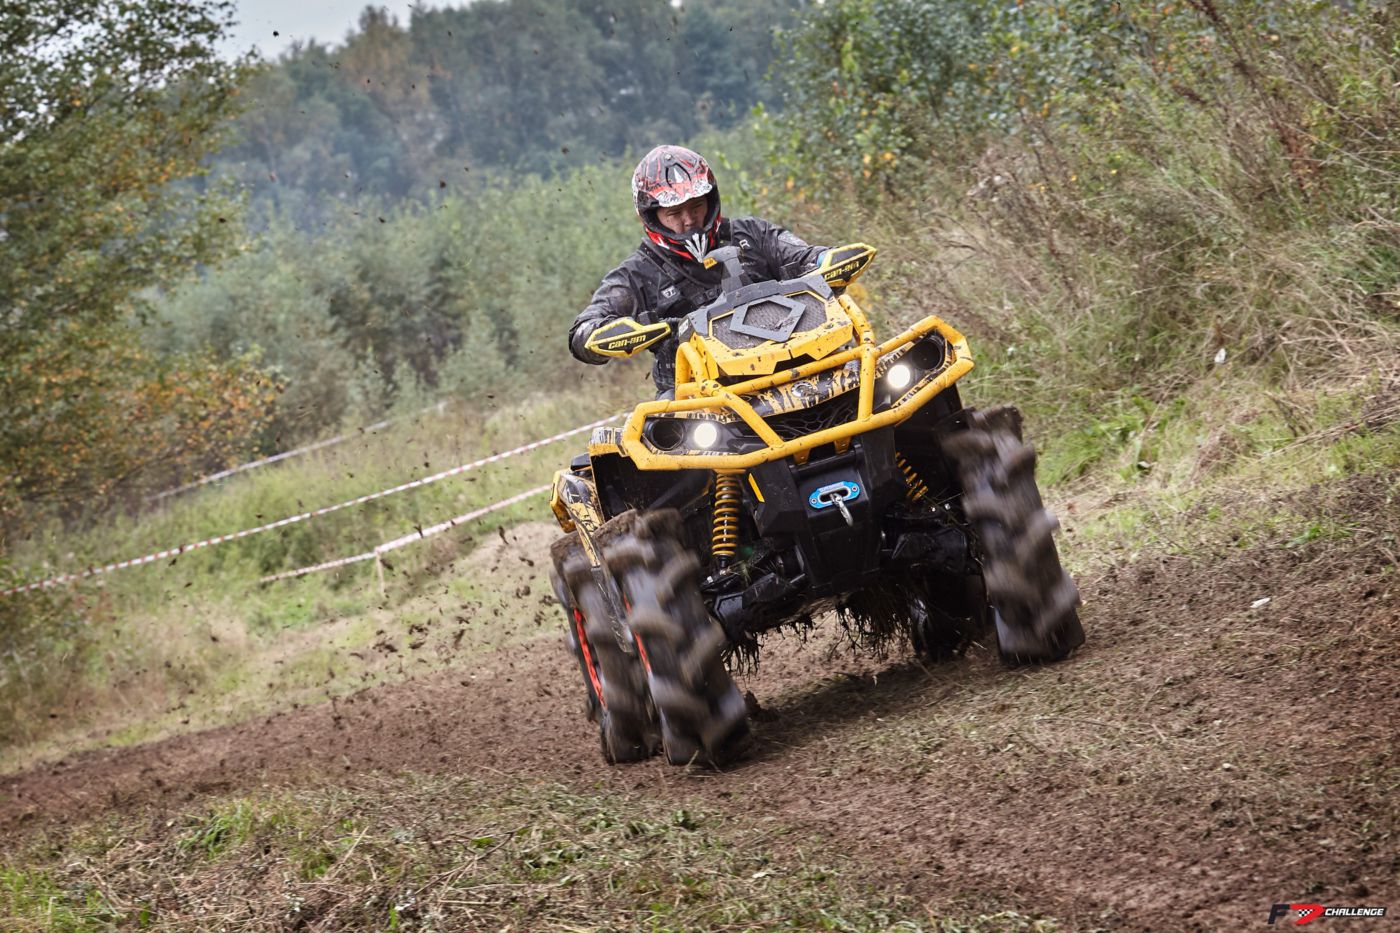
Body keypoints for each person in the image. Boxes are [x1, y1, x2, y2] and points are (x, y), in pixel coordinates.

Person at [569, 145, 829, 396]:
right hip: (697, 394)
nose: (689, 219)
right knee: (656, 424)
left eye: (696, 206)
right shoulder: (636, 274)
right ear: (650, 216)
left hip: (796, 363)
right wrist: (611, 333)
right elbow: (582, 331)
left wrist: (827, 260)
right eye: (674, 213)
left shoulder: (752, 235)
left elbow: (809, 256)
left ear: (710, 200)